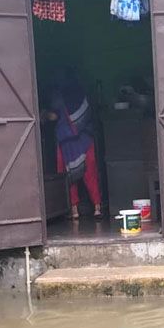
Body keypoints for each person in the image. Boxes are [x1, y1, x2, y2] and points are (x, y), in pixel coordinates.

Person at [45, 68, 103, 220]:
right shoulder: (81, 93)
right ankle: (97, 207)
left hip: (66, 143)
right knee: (90, 173)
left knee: (69, 176)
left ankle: (74, 210)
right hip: (84, 140)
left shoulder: (56, 95)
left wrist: (42, 115)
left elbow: (52, 116)